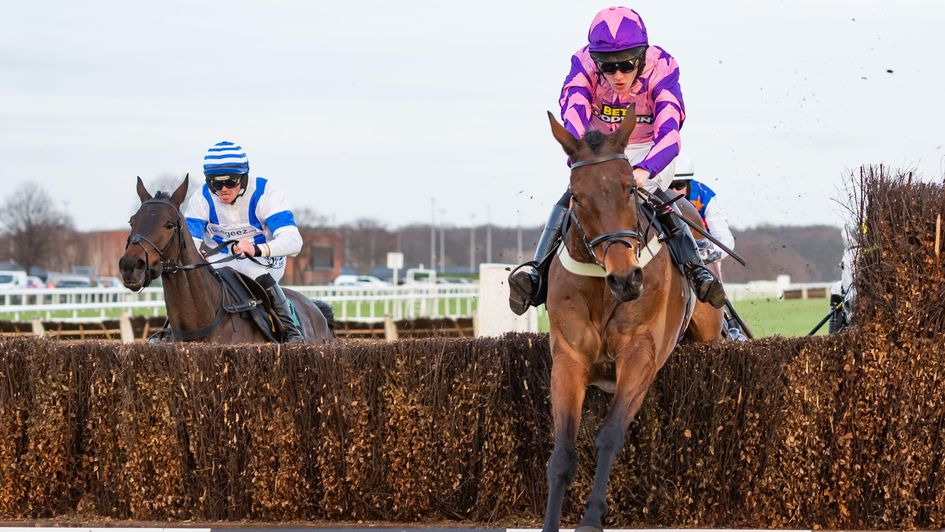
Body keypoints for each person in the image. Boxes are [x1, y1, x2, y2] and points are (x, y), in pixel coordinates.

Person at [508, 6, 726, 315]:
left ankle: (695, 269)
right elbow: (574, 112)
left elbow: (670, 133)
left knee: (656, 198)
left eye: (626, 65)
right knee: (575, 198)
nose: (618, 76)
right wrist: (582, 154)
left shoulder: (662, 67)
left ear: (641, 56)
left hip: (649, 148)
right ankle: (537, 272)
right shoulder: (582, 64)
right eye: (608, 68)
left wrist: (643, 170)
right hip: (600, 149)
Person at [184, 140, 304, 343]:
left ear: (244, 176)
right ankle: (170, 329)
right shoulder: (201, 197)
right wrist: (196, 253)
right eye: (215, 182)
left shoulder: (266, 193)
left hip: (263, 260)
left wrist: (257, 249)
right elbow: (191, 240)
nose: (223, 189)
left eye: (230, 182)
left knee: (249, 269)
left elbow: (294, 242)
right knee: (191, 278)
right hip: (221, 259)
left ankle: (291, 331)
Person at [666, 154, 735, 261]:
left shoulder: (705, 197)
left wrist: (709, 254)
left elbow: (725, 239)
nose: (673, 192)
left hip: (702, 253)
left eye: (679, 185)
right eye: (668, 186)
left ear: (689, 184)